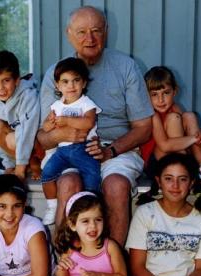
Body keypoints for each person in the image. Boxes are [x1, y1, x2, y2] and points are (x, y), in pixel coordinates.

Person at [37, 6, 153, 246]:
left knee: (116, 186)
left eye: (96, 31)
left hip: (117, 149)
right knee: (69, 184)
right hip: (69, 148)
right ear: (69, 34)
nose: (89, 38)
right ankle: (64, 264)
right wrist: (62, 133)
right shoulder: (56, 74)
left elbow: (144, 127)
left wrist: (110, 151)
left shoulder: (126, 67)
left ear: (106, 32)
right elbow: (42, 136)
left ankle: (114, 268)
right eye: (81, 32)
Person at [141, 66, 201, 187]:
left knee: (189, 116)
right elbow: (165, 146)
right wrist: (195, 138)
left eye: (166, 93)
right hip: (156, 165)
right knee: (174, 118)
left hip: (178, 155)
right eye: (154, 95)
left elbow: (188, 136)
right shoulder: (151, 114)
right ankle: (186, 172)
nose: (161, 100)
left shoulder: (176, 108)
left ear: (174, 91)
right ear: (146, 96)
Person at [41, 57, 102, 226]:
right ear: (58, 86)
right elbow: (45, 127)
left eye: (76, 81)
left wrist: (67, 121)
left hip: (83, 149)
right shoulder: (56, 105)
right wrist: (50, 123)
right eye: (65, 82)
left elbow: (88, 123)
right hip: (62, 150)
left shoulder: (86, 103)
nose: (71, 86)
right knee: (47, 173)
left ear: (83, 83)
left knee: (92, 176)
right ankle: (52, 206)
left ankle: (92, 204)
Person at [0, 50, 42, 180]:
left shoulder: (28, 96)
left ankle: (32, 163)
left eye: (6, 80)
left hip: (39, 146)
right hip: (21, 149)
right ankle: (21, 164)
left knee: (13, 138)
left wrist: (20, 170)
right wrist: (9, 165)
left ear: (17, 79)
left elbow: (27, 131)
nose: (1, 88)